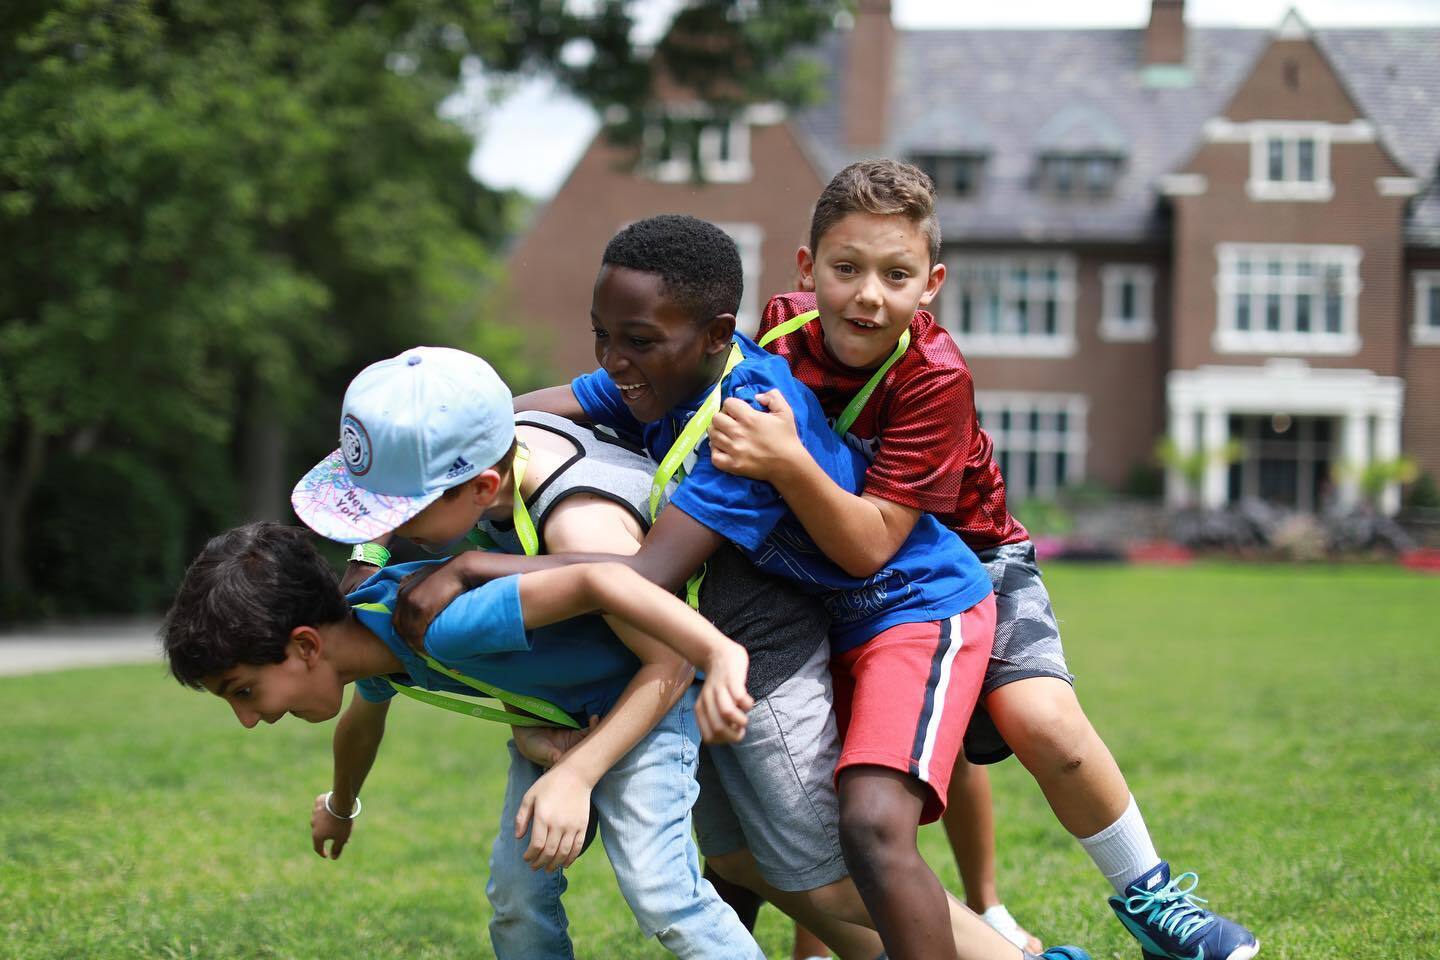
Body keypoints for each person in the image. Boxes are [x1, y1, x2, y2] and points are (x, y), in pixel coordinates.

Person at [409, 214, 1093, 960]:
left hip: (911, 602)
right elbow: (526, 411)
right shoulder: (664, 372)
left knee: (848, 863)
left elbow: (642, 577)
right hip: (826, 612)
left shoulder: (744, 419)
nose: (612, 360)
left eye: (635, 340)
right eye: (601, 334)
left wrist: (470, 567)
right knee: (758, 863)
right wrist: (424, 443)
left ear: (714, 334)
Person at [709, 157, 1260, 960]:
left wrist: (786, 459)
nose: (868, 294)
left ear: (930, 284)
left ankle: (1152, 899)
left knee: (1041, 722)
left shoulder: (935, 376)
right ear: (806, 269)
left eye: (895, 274)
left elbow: (871, 537)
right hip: (838, 573)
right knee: (838, 765)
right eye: (846, 268)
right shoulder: (783, 328)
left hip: (968, 559)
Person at [173, 346, 765, 960]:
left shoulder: (442, 623)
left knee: (663, 894)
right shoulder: (373, 634)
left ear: (305, 645)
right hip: (568, 724)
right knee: (516, 897)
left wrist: (715, 658)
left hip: (646, 703)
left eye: (244, 690)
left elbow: (606, 583)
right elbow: (361, 723)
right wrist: (342, 805)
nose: (247, 718)